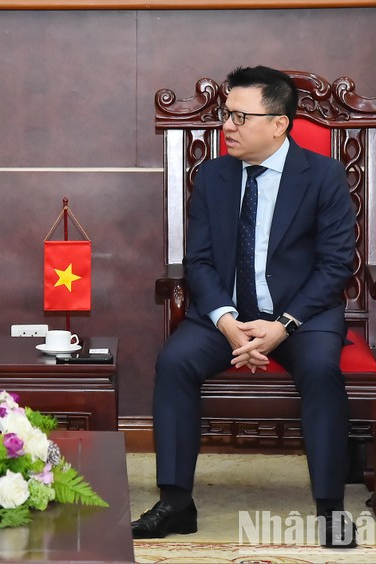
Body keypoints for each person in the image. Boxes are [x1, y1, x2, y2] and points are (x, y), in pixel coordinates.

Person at [132, 66, 358, 549]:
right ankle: (176, 502)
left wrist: (283, 326)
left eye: (239, 116)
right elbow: (198, 261)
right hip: (225, 315)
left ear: (278, 124)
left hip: (302, 316)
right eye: (225, 114)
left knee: (322, 369)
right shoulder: (213, 176)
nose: (226, 126)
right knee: (173, 362)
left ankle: (330, 508)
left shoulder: (323, 175)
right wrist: (228, 322)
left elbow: (336, 265)